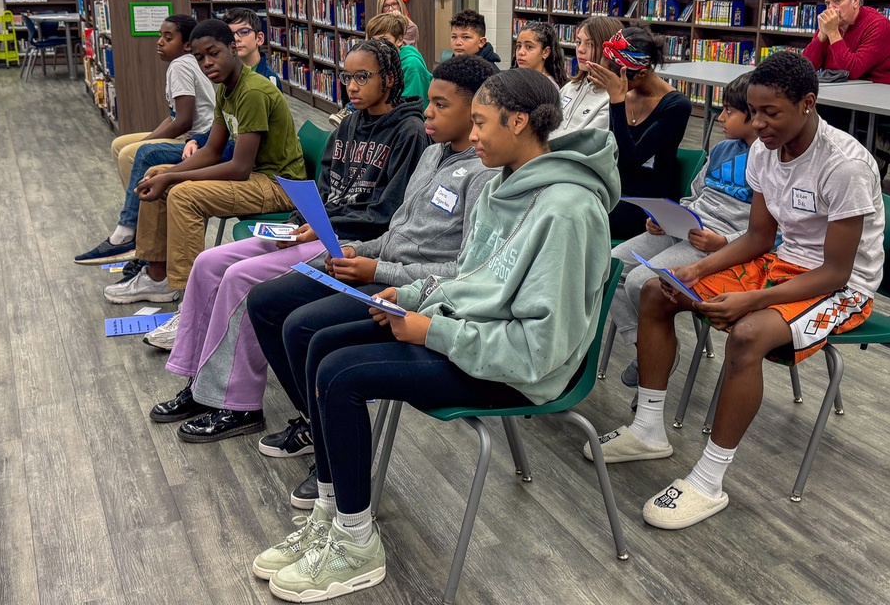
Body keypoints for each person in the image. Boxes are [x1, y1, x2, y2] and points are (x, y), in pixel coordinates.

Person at [248, 68, 620, 601]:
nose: (472, 137)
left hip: (518, 370)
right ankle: (333, 513)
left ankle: (357, 546)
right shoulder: (504, 184)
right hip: (473, 334)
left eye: (481, 123)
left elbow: (541, 351)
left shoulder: (569, 212)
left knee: (340, 373)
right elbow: (473, 278)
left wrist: (432, 330)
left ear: (518, 122)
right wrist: (414, 298)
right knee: (320, 342)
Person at [597, 51, 883, 530]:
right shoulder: (764, 151)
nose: (759, 124)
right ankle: (647, 429)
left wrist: (750, 299)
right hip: (782, 263)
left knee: (747, 334)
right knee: (655, 291)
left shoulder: (845, 165)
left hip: (845, 287)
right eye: (752, 112)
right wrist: (698, 270)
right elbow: (757, 239)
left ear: (808, 104)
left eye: (771, 113)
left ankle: (709, 481)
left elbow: (836, 272)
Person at [245, 54, 499, 508]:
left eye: (441, 106)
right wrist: (356, 251)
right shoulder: (431, 153)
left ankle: (328, 447)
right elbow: (398, 230)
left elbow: (463, 273)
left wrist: (376, 270)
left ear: (475, 111)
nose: (427, 112)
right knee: (265, 301)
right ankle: (314, 420)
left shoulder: (483, 175)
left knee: (303, 328)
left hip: (413, 291)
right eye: (430, 104)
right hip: (379, 267)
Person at [147, 39, 429, 443]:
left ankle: (237, 403)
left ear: (388, 78)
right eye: (346, 76)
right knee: (209, 263)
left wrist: (323, 224)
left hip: (349, 241)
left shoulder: (409, 131)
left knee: (241, 278)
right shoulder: (349, 122)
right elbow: (325, 185)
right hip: (315, 227)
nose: (351, 85)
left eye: (362, 77)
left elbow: (388, 212)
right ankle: (199, 384)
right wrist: (300, 218)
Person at [103, 19, 304, 304]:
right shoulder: (226, 88)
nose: (207, 63)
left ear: (233, 49)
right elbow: (211, 150)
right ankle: (157, 276)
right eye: (200, 58)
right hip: (256, 178)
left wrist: (173, 178)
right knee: (155, 172)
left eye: (214, 53)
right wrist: (166, 174)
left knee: (184, 195)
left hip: (279, 184)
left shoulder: (253, 91)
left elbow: (239, 168)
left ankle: (191, 300)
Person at [602, 72, 757, 412]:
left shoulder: (769, 159)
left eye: (730, 112)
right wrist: (667, 216)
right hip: (687, 229)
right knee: (609, 266)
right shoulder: (720, 149)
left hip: (717, 244)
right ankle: (648, 350)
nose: (721, 119)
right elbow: (695, 196)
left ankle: (654, 361)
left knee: (644, 282)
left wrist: (724, 240)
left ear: (754, 115)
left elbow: (764, 229)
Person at [83, 15, 216, 265]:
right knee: (120, 145)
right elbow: (173, 116)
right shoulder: (182, 63)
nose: (159, 43)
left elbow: (184, 121)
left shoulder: (180, 66)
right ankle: (140, 215)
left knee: (131, 153)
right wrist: (149, 139)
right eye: (160, 37)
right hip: (189, 135)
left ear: (187, 45)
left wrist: (147, 145)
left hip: (197, 141)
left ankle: (130, 229)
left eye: (168, 38)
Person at [588, 26, 693, 239]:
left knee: (581, 217)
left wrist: (617, 103)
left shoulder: (677, 106)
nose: (610, 84)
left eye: (613, 78)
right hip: (615, 190)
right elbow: (613, 151)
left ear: (642, 73)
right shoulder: (624, 91)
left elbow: (629, 158)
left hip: (647, 205)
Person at [802, 0, 890, 86]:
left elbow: (851, 71)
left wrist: (833, 33)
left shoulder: (878, 25)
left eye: (837, 1)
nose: (831, 8)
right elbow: (804, 69)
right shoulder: (831, 23)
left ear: (855, 2)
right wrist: (821, 36)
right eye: (828, 3)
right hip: (840, 88)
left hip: (878, 93)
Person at [551, 15, 623, 137]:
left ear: (608, 50)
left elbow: (587, 144)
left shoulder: (612, 99)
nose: (580, 49)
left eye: (590, 44)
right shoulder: (570, 87)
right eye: (579, 42)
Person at [365, 11, 432, 109]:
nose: (378, 45)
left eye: (384, 40)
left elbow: (410, 107)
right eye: (373, 40)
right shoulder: (378, 60)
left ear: (399, 40)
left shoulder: (412, 65)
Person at [223, 7, 282, 90]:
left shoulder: (268, 80)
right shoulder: (226, 74)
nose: (236, 38)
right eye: (230, 34)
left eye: (244, 32)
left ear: (259, 39)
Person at [514, 21, 568, 88]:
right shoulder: (517, 79)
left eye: (529, 47)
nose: (521, 52)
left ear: (545, 52)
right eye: (519, 46)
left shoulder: (548, 87)